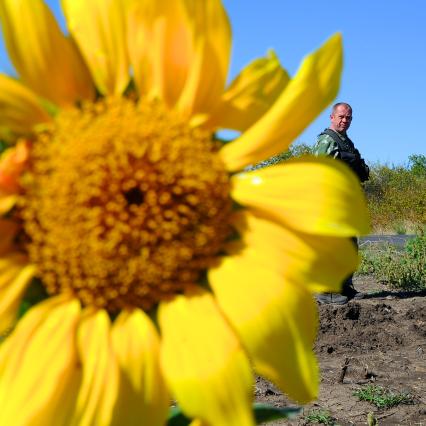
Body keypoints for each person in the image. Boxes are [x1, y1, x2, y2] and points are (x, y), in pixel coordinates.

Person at [313, 102, 369, 304]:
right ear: (332, 117)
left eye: (348, 118)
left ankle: (344, 287)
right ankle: (326, 292)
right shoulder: (328, 140)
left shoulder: (345, 141)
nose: (345, 121)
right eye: (341, 117)